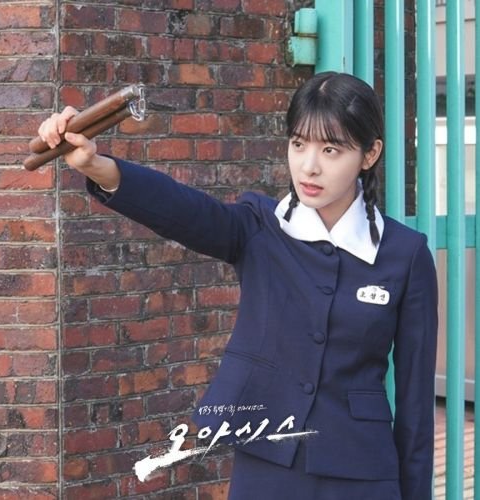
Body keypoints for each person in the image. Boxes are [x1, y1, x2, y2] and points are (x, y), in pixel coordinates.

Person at [36, 71, 438, 500]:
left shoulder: (405, 254)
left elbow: (416, 407)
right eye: (298, 144)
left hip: (361, 471)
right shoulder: (259, 226)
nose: (309, 166)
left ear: (370, 154)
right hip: (266, 462)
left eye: (331, 150)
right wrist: (96, 165)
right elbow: (183, 209)